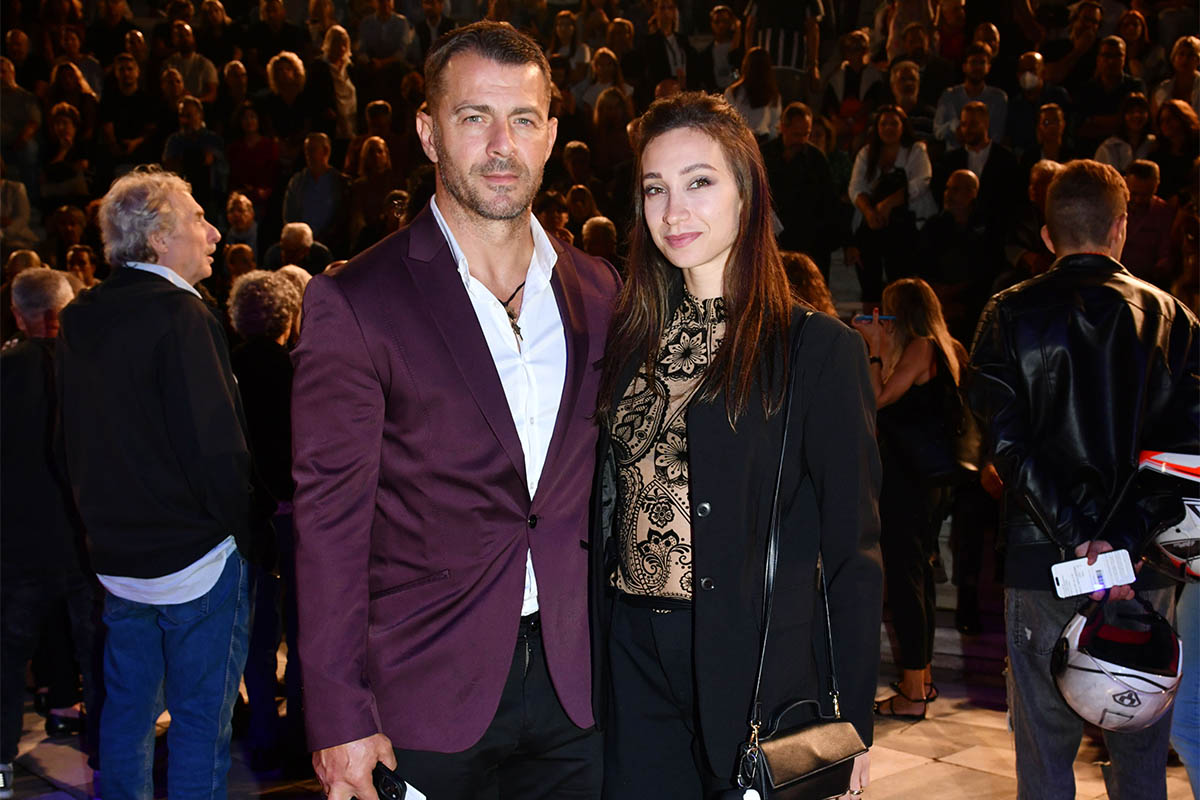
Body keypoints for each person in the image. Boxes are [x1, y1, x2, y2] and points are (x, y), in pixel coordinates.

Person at [291, 22, 621, 800]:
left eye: (524, 119)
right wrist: (337, 714)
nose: (502, 145)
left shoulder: (602, 291)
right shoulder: (357, 302)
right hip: (422, 698)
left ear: (550, 136)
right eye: (475, 117)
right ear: (428, 131)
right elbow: (329, 527)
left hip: (581, 696)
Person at [592, 90, 880, 798]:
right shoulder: (631, 338)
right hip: (631, 649)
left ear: (747, 194)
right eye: (655, 188)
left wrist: (853, 719)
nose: (673, 211)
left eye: (699, 182)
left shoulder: (817, 349)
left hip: (752, 662)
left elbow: (854, 548)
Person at [968, 159, 1199, 800]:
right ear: (1121, 227)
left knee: (1043, 755)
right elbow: (1186, 453)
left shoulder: (1008, 313)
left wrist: (1078, 538)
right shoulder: (1173, 318)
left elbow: (1007, 445)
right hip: (1144, 561)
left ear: (1048, 236)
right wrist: (1119, 541)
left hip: (1045, 556)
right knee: (1141, 754)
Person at [55, 167, 269, 798]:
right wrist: (250, 533)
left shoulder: (81, 314)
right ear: (158, 238)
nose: (214, 232)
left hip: (118, 557)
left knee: (126, 714)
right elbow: (216, 449)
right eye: (198, 218)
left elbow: (66, 441)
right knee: (201, 724)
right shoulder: (182, 314)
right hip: (197, 556)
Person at [1, 269, 100, 792]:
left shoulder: (6, 368)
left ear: (19, 315)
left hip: (18, 540)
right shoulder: (91, 365)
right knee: (99, 658)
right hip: (85, 537)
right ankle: (110, 764)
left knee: (6, 659)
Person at [853, 278, 966, 719]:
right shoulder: (946, 348)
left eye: (887, 312)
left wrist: (874, 348)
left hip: (911, 482)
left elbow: (877, 399)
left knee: (905, 580)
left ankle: (913, 692)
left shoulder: (921, 346)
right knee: (917, 578)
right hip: (928, 481)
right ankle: (922, 680)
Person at [847, 104, 937, 303]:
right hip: (873, 225)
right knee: (870, 280)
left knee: (902, 283)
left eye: (894, 124)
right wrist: (869, 212)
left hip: (906, 226)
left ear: (903, 126)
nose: (888, 128)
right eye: (884, 124)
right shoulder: (866, 153)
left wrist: (888, 204)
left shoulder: (916, 150)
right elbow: (855, 188)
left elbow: (921, 182)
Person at [722, 46, 781, 140]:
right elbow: (774, 126)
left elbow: (727, 122)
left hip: (742, 140)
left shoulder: (732, 92)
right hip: (758, 140)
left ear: (745, 66)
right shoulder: (773, 94)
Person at [1094, 92, 1156, 172]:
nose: (1136, 115)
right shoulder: (1109, 147)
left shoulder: (1153, 143)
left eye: (1141, 111)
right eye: (1131, 112)